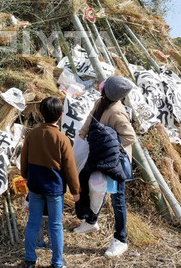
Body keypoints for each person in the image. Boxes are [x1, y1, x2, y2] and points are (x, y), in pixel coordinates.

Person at [73, 76, 137, 258]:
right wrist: (84, 133)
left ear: (107, 91)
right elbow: (90, 119)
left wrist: (109, 144)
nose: (100, 86)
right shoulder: (100, 102)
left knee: (117, 199)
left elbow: (130, 137)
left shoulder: (117, 112)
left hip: (115, 163)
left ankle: (121, 239)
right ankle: (91, 221)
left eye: (104, 86)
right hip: (98, 156)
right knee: (96, 187)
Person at [20, 96, 80, 268]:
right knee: (55, 225)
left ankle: (30, 259)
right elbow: (70, 167)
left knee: (33, 222)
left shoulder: (32, 135)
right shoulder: (62, 139)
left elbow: (23, 160)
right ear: (60, 116)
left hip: (35, 185)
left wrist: (25, 176)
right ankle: (57, 262)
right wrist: (75, 191)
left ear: (40, 114)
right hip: (54, 188)